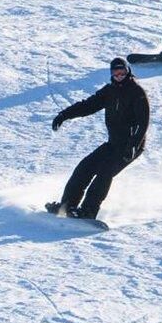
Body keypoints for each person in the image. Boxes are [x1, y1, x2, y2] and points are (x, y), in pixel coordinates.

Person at [46, 57, 148, 221]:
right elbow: (88, 105)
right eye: (116, 73)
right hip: (113, 143)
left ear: (128, 71)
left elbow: (143, 123)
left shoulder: (136, 92)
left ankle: (88, 211)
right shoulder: (109, 91)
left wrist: (134, 145)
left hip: (130, 145)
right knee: (84, 168)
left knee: (104, 173)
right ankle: (66, 206)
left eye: (122, 72)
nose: (119, 76)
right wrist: (64, 115)